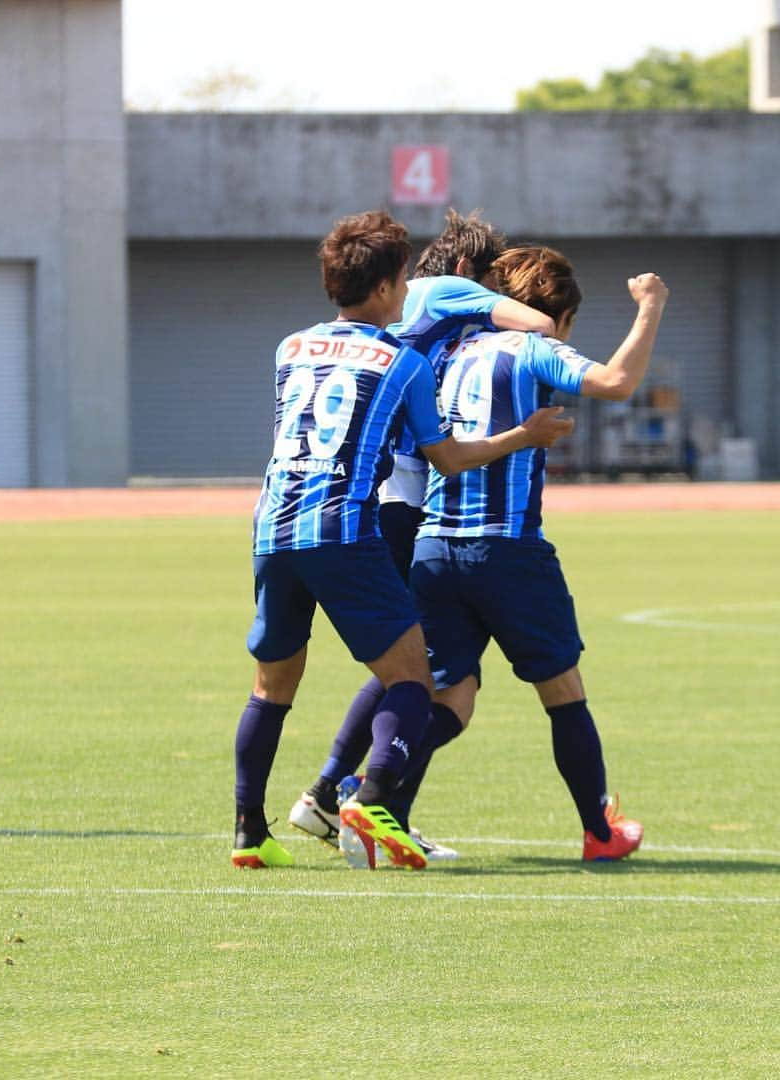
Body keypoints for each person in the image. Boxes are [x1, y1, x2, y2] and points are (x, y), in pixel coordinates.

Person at [231, 210, 573, 869]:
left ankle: (249, 832)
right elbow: (445, 457)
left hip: (273, 526)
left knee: (272, 686)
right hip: (344, 528)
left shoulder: (290, 347)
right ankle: (372, 798)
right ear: (391, 285)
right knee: (415, 674)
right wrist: (522, 436)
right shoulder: (404, 363)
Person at [401, 245, 667, 860]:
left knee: (452, 699)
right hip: (507, 551)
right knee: (563, 691)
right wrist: (651, 307)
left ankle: (376, 792)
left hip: (434, 547)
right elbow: (616, 383)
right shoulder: (534, 348)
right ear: (561, 316)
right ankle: (600, 834)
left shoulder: (449, 351)